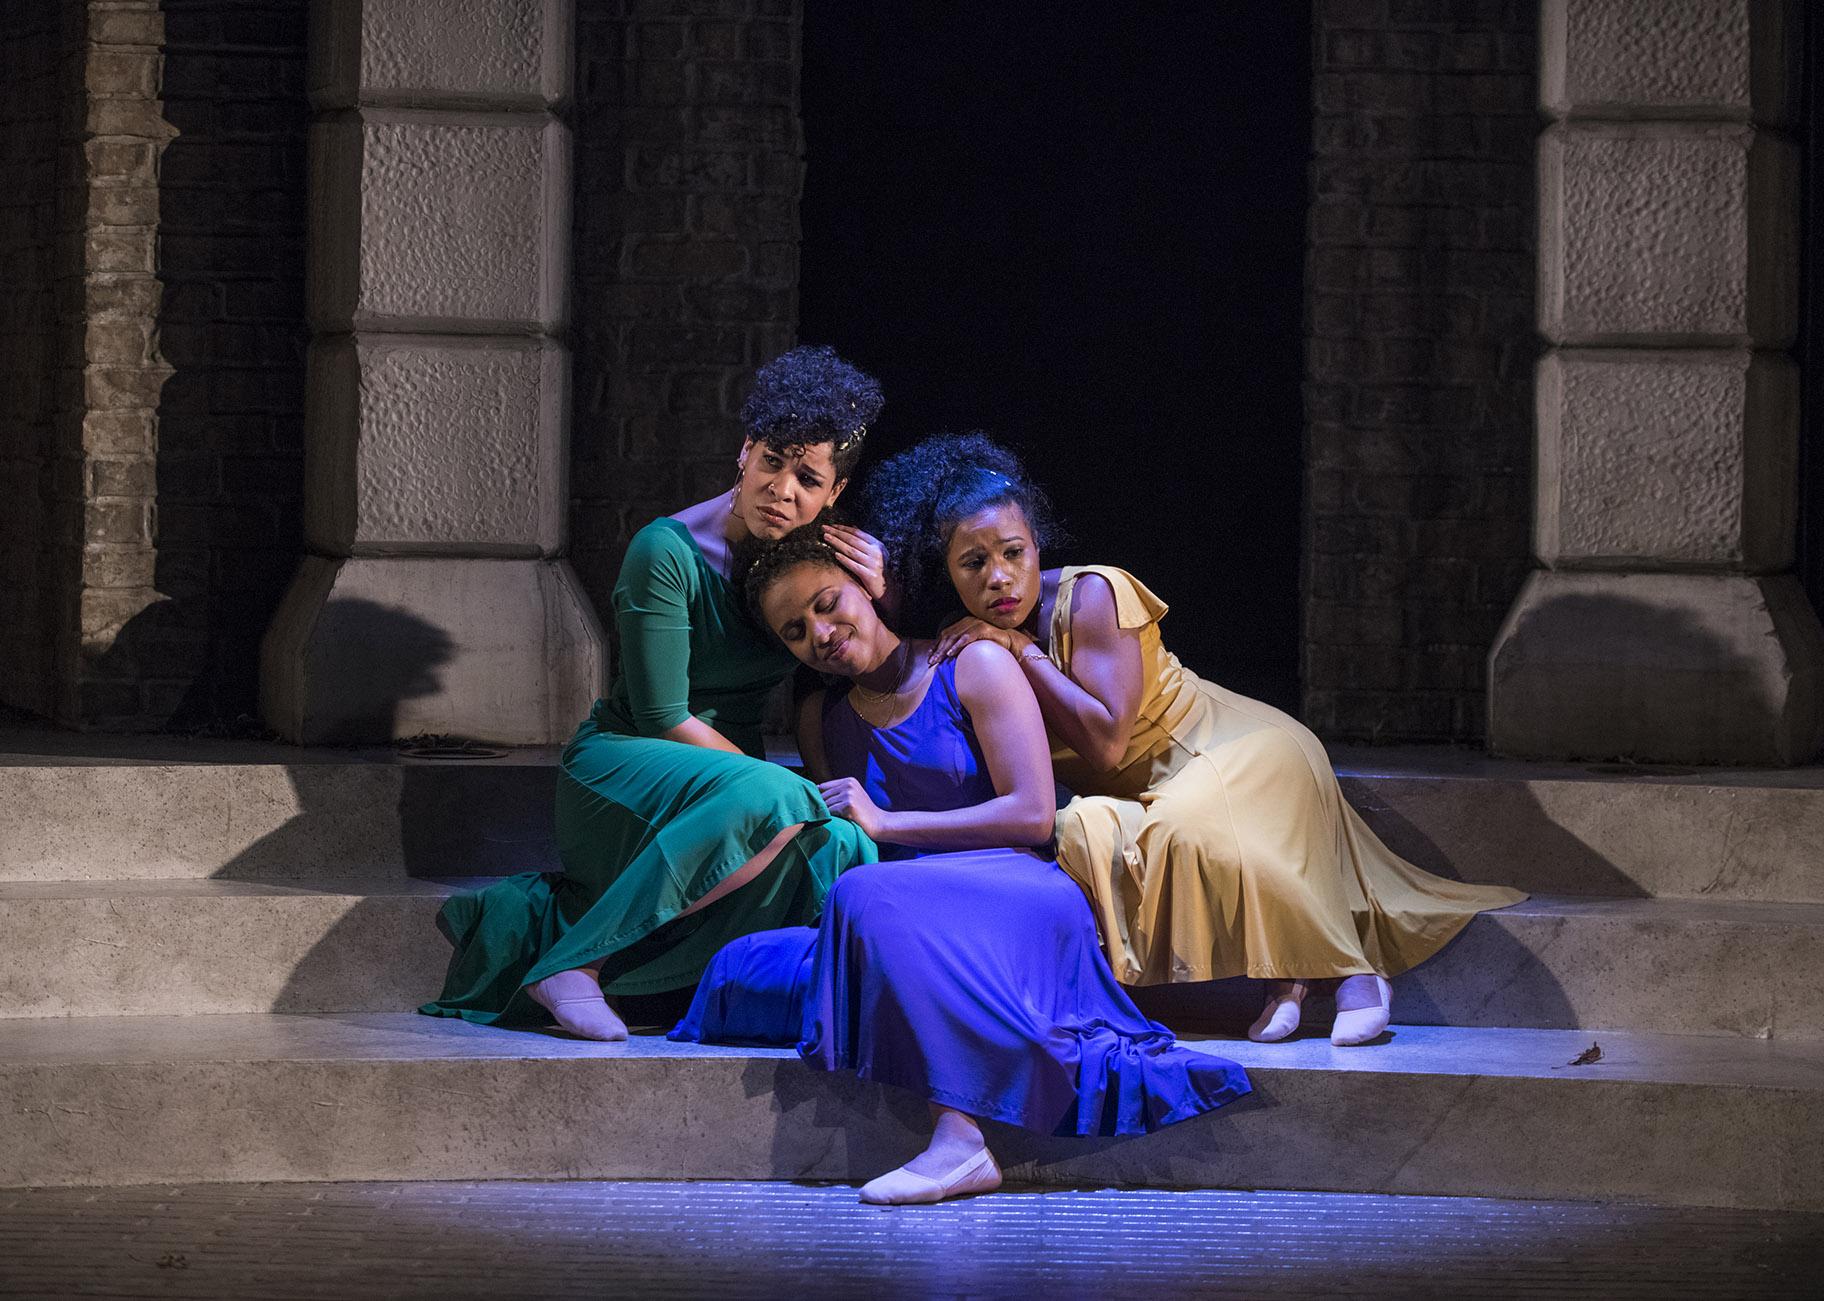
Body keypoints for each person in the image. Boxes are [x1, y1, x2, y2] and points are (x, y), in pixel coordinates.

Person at [861, 433, 1526, 1047]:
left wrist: (1021, 652)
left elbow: (1106, 746)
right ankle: (1288, 975)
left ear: (1039, 545)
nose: (999, 577)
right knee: (1089, 827)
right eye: (974, 563)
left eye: (1014, 552)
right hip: (1157, 785)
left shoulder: (1093, 594)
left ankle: (1352, 968)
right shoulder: (966, 637)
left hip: (1236, 745)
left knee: (1184, 824)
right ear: (949, 573)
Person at [671, 528, 1250, 1205]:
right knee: (734, 968)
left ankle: (959, 1137)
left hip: (1013, 894)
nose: (821, 632)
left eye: (828, 604)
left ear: (867, 586)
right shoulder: (821, 715)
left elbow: (1033, 814)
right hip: (900, 914)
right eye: (796, 631)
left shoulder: (970, 663)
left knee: (859, 898)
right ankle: (924, 1009)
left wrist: (889, 824)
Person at [421, 346, 892, 1040]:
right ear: (744, 451)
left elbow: (876, 663)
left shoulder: (820, 562)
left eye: (807, 477)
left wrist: (882, 594)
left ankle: (747, 994)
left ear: (833, 495)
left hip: (729, 782)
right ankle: (576, 966)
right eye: (772, 461)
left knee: (845, 848)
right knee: (778, 799)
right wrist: (774, 788)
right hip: (627, 767)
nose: (783, 489)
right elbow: (662, 714)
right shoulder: (665, 552)